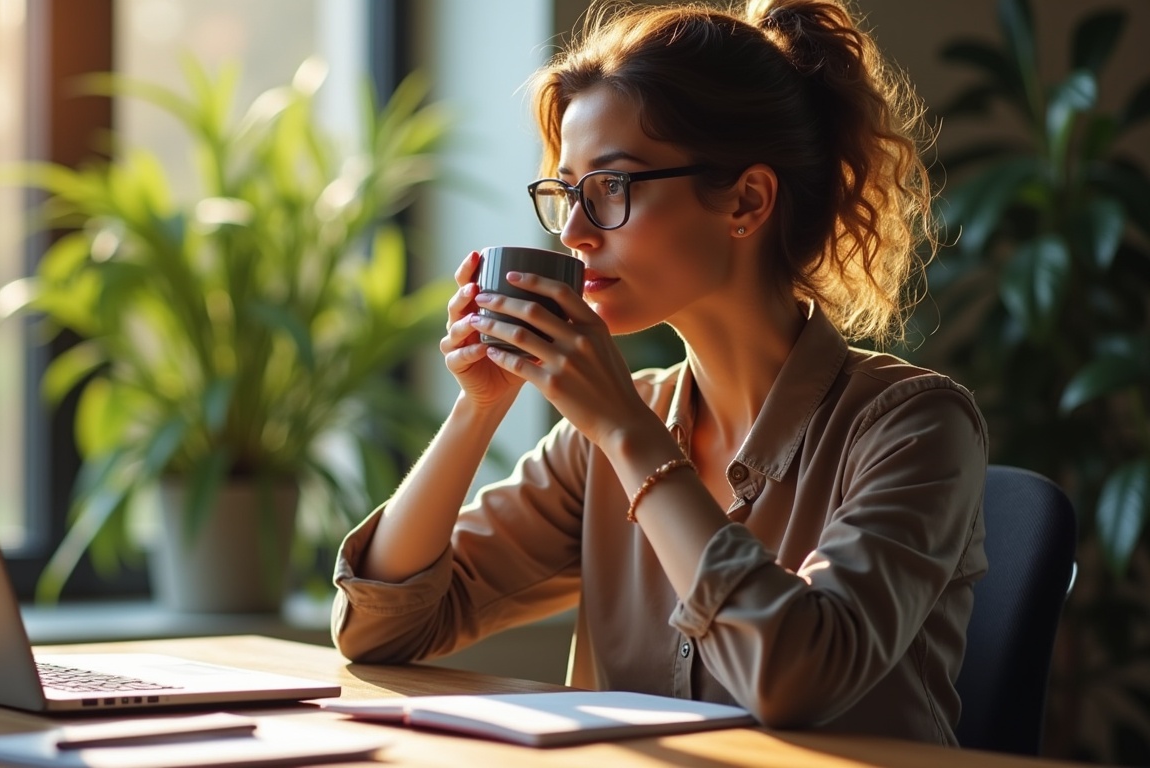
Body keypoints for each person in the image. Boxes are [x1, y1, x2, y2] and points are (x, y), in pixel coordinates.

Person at [330, 0, 987, 745]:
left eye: (612, 188)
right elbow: (380, 629)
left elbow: (797, 678)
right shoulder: (604, 436)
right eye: (567, 192)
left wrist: (627, 434)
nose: (575, 232)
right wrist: (480, 407)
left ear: (746, 200)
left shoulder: (914, 425)